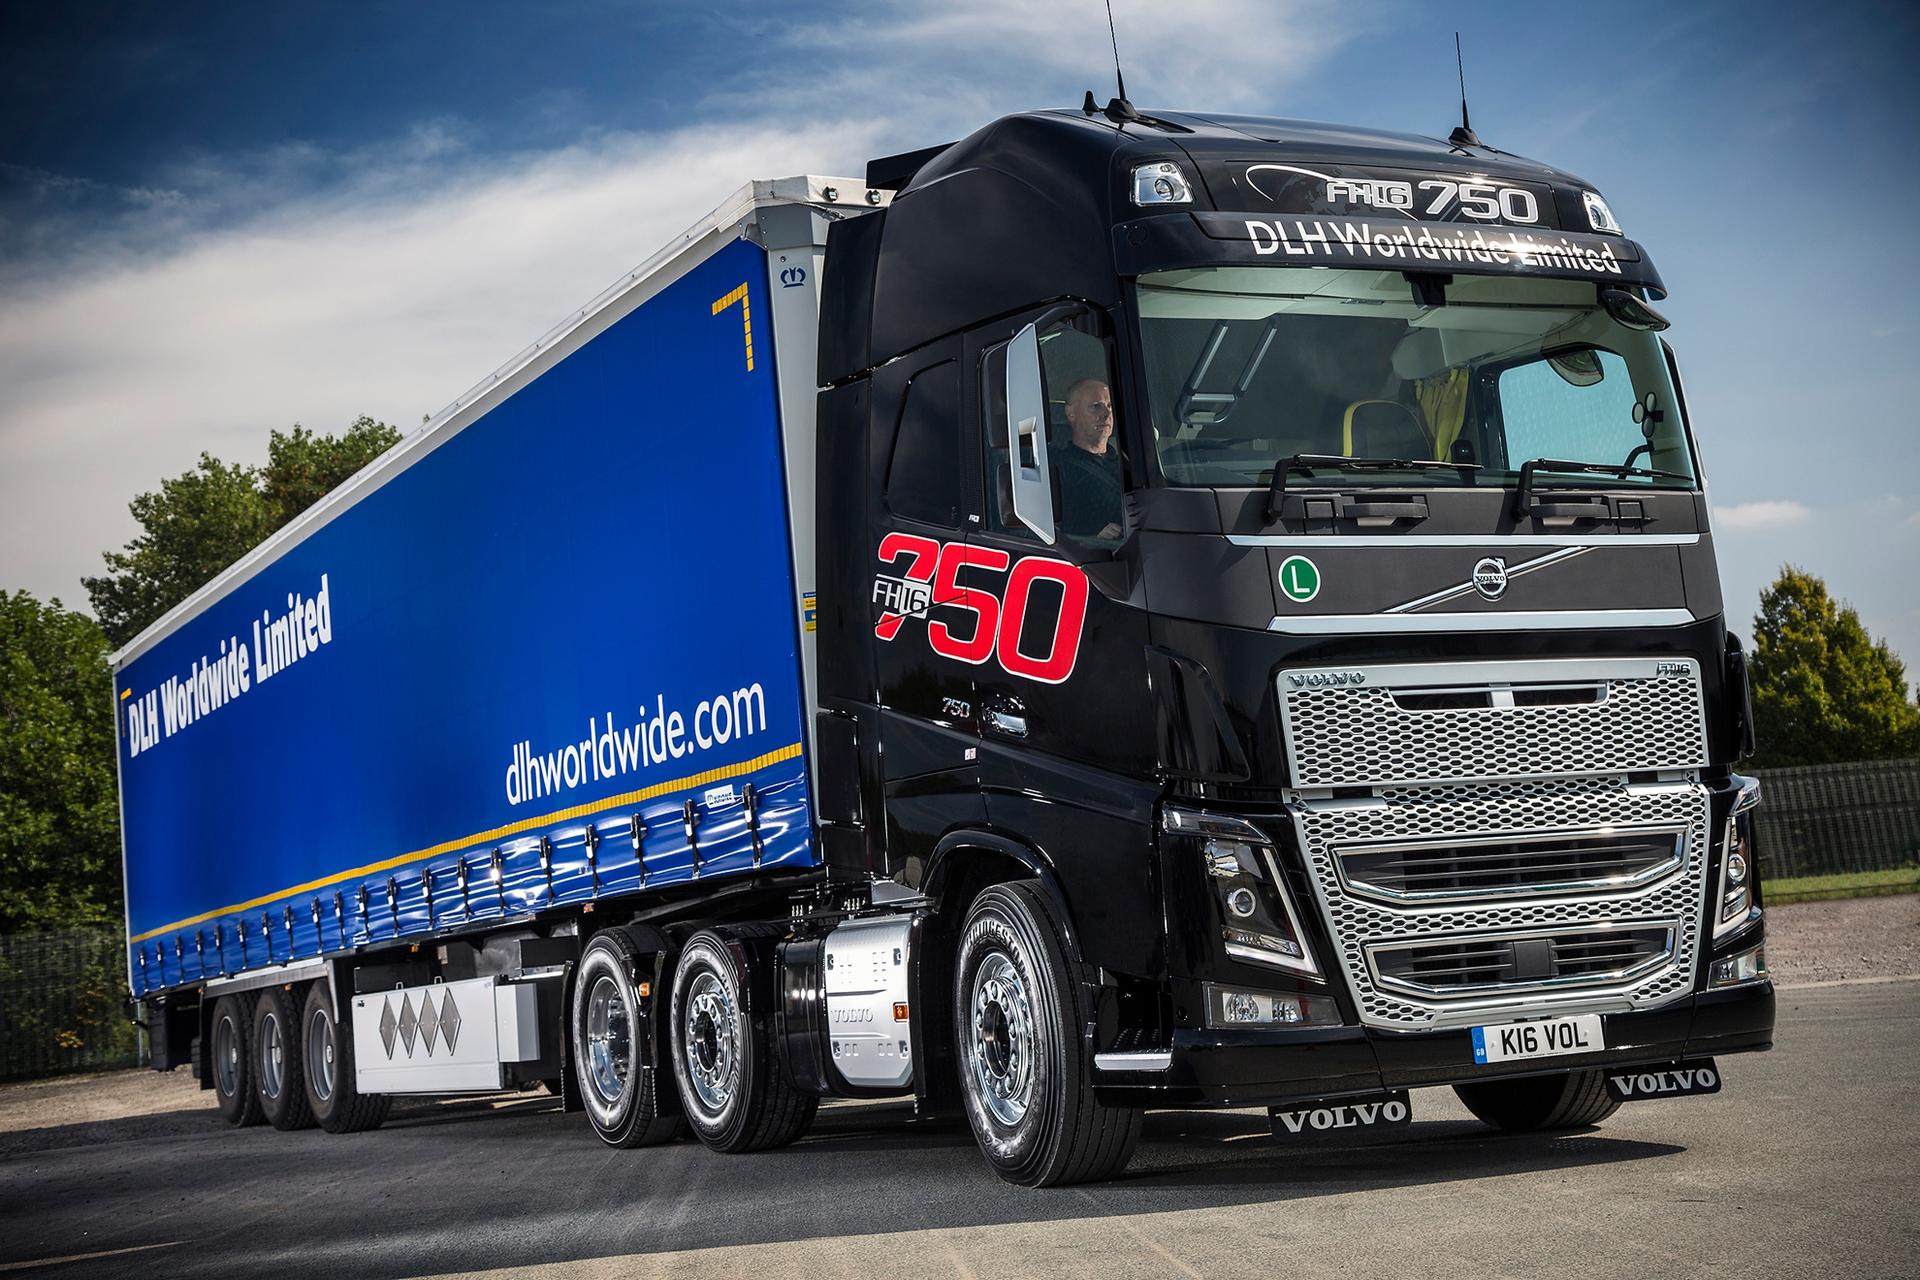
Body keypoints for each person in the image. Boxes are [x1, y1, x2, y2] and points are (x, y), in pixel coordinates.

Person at [1054, 378, 1123, 541]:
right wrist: (1092, 539)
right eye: (1095, 406)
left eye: (1109, 406)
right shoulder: (1058, 469)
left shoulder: (1129, 466)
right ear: (1071, 413)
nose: (1106, 414)